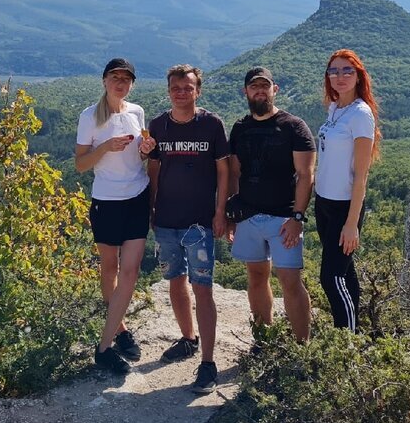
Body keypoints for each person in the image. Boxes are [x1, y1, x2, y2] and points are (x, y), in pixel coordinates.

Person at [147, 64, 230, 394]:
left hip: (199, 223)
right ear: (168, 91)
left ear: (198, 90)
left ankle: (208, 364)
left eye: (188, 87)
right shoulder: (158, 125)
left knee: (203, 288)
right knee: (174, 281)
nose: (182, 92)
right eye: (176, 88)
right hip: (166, 221)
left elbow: (223, 171)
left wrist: (221, 210)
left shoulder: (211, 124)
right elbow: (153, 168)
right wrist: (150, 208)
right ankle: (188, 339)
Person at [75, 58, 156, 375]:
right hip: (106, 201)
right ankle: (121, 329)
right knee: (109, 267)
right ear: (104, 81)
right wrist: (106, 146)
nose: (120, 83)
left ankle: (104, 346)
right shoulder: (90, 117)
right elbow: (81, 164)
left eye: (126, 79)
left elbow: (138, 156)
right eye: (115, 77)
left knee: (131, 271)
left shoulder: (136, 112)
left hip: (137, 196)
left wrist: (146, 150)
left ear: (132, 84)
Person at [227, 66, 315, 340]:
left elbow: (306, 174)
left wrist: (297, 217)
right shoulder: (240, 128)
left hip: (283, 218)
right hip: (248, 216)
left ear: (274, 90)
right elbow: (234, 172)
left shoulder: (293, 126)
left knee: (290, 281)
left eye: (265, 86)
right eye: (254, 86)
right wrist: (231, 214)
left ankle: (302, 345)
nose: (260, 91)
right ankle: (263, 339)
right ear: (246, 92)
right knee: (255, 277)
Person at [314, 49, 381, 332]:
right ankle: (354, 334)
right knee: (345, 272)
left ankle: (345, 344)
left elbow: (361, 175)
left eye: (346, 71)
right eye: (333, 71)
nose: (339, 76)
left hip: (344, 207)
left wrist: (352, 223)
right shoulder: (335, 110)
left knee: (331, 278)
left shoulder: (360, 114)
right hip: (323, 203)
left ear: (358, 76)